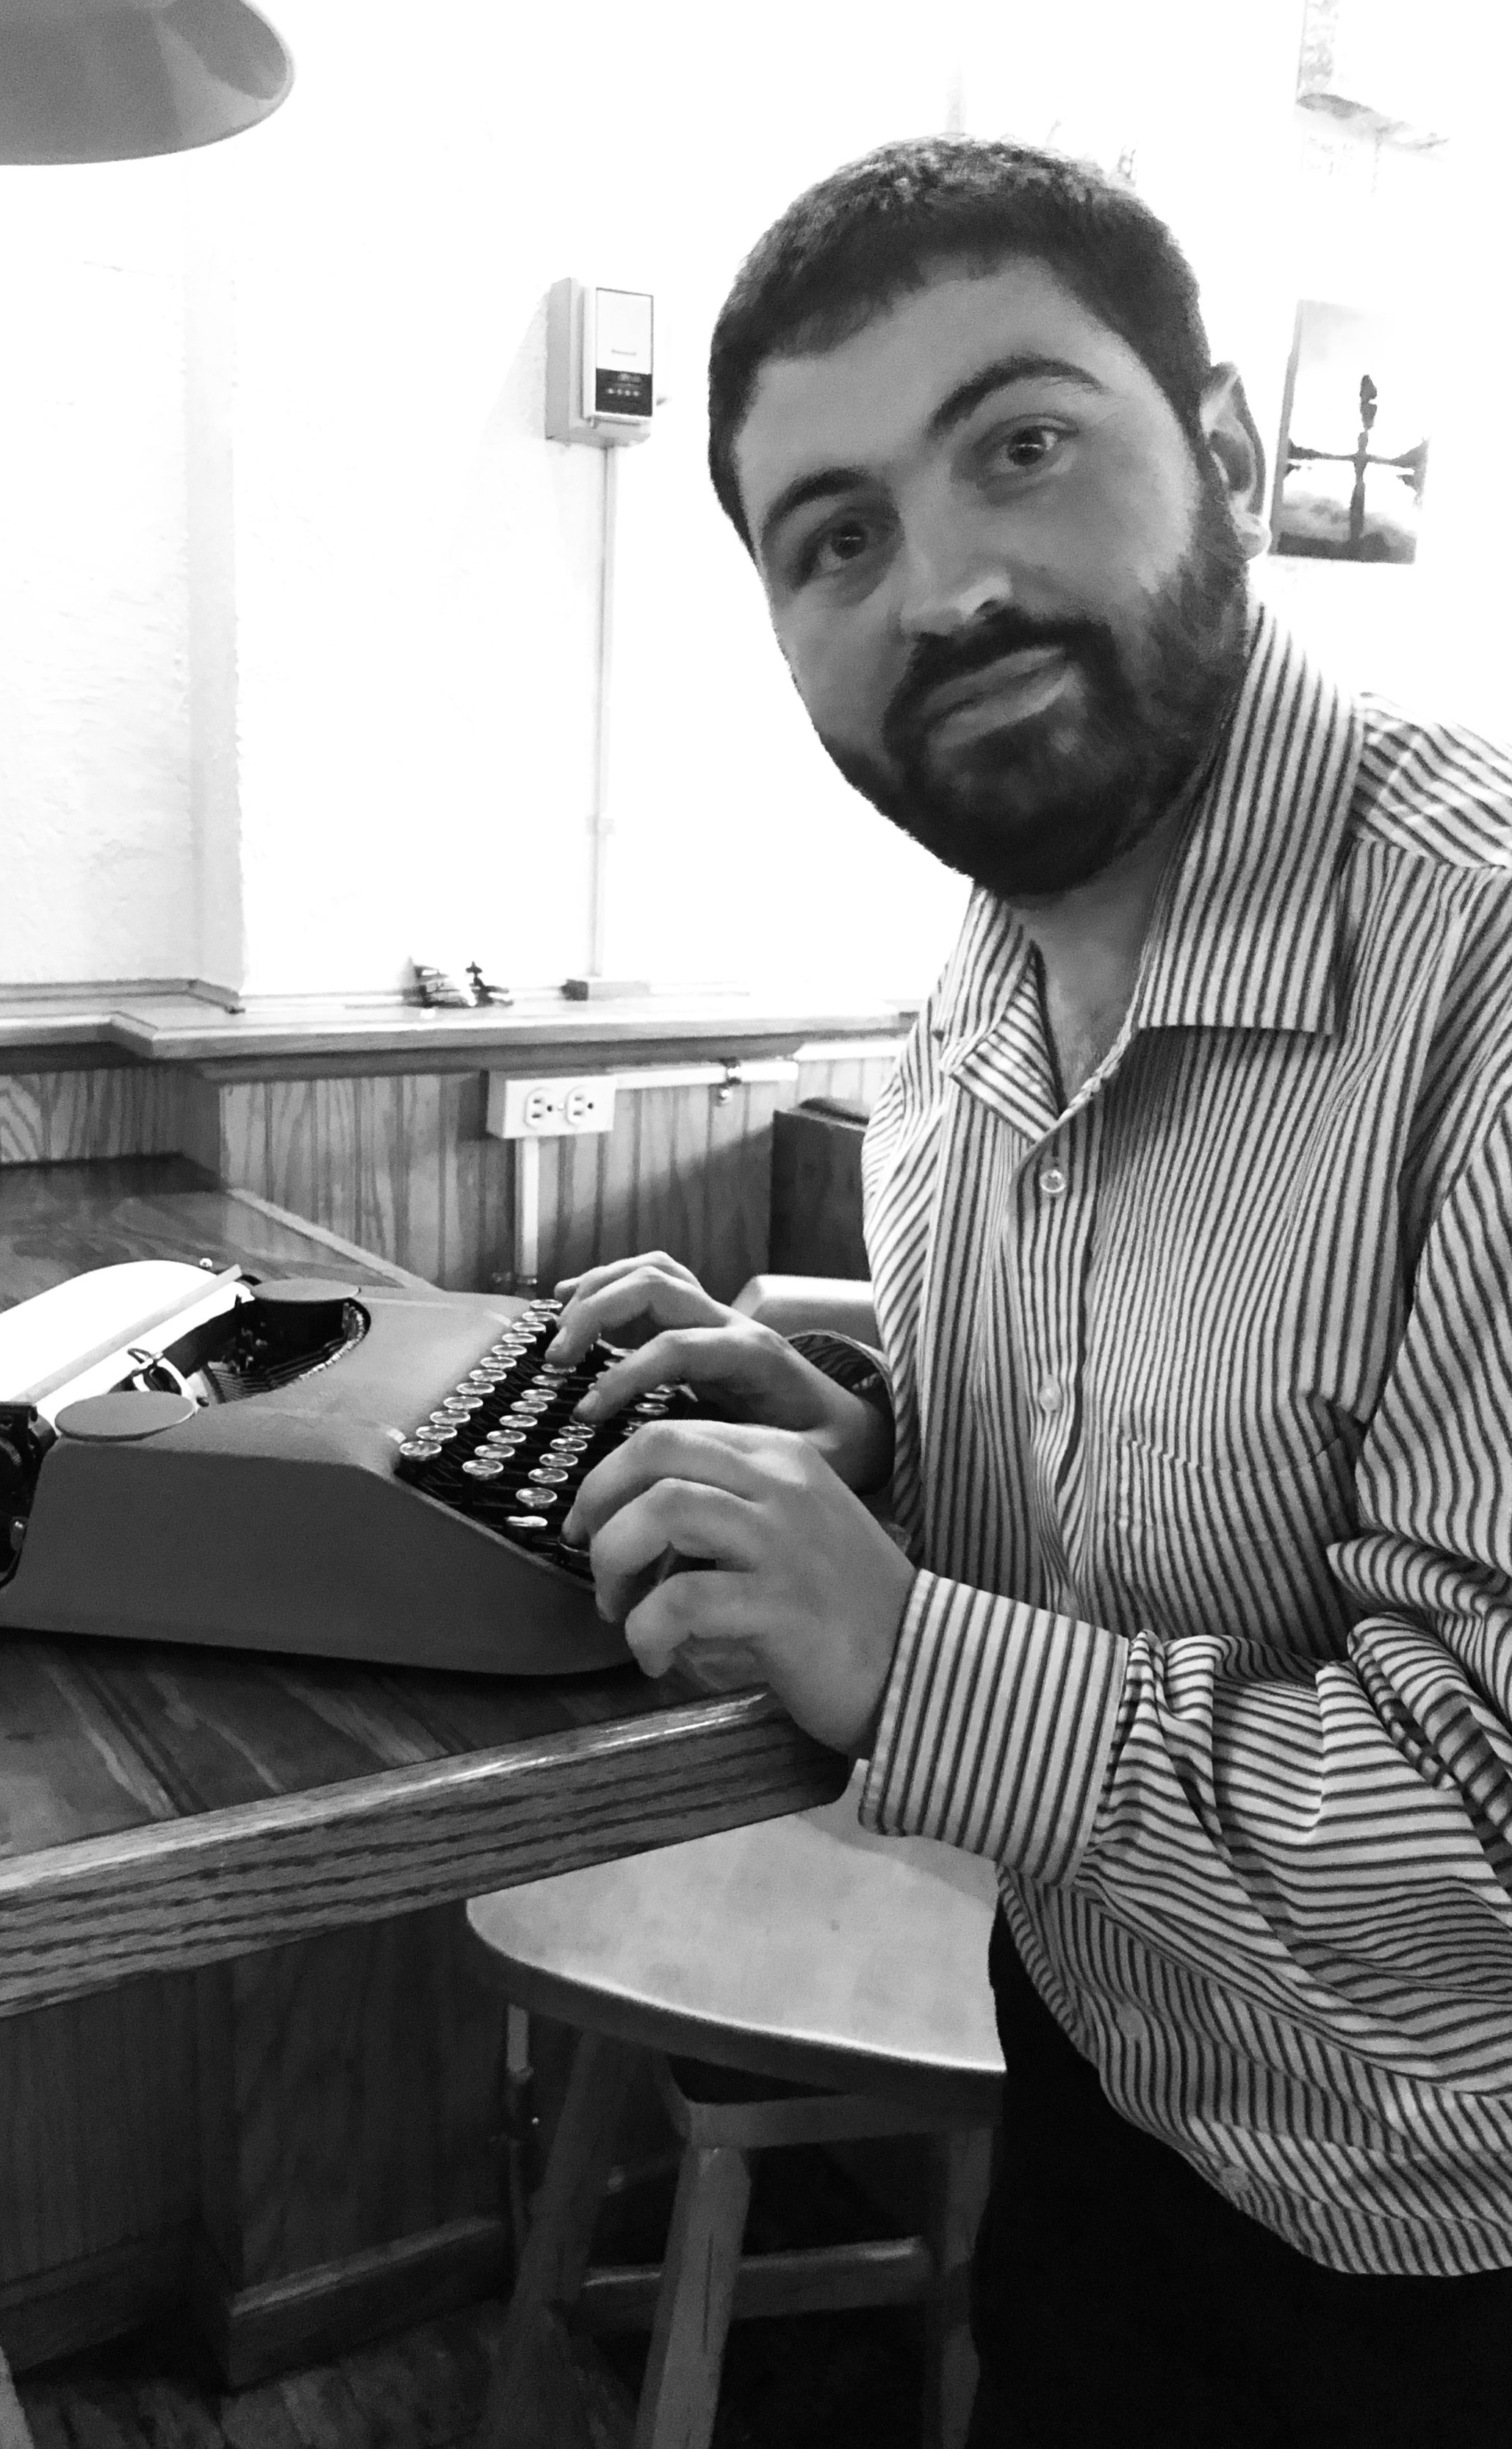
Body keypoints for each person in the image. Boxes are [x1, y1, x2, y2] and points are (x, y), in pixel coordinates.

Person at [545, 137, 1512, 2448]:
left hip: (1438, 2259)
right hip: (1098, 2079)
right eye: (835, 536)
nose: (948, 588)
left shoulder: (1477, 973)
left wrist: (901, 1648)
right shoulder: (983, 969)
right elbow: (1160, 1451)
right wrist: (878, 1434)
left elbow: (1484, 1861)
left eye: (1021, 445)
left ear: (1228, 457)